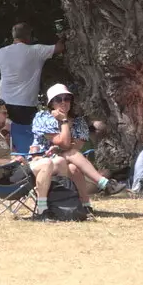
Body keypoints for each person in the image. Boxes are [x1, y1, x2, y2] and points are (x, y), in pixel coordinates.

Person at [29, 84, 122, 217]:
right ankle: (103, 183)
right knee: (70, 155)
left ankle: (85, 206)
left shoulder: (79, 122)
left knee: (74, 168)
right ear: (51, 103)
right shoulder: (42, 117)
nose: (63, 102)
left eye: (67, 98)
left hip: (65, 161)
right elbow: (67, 145)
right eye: (58, 99)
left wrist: (61, 146)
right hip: (43, 161)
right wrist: (64, 122)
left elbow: (74, 147)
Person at [0, 22, 61, 126]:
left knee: (8, 137)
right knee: (27, 137)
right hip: (25, 104)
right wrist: (65, 36)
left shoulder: (1, 52)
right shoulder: (35, 51)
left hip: (4, 102)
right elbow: (59, 48)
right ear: (29, 36)